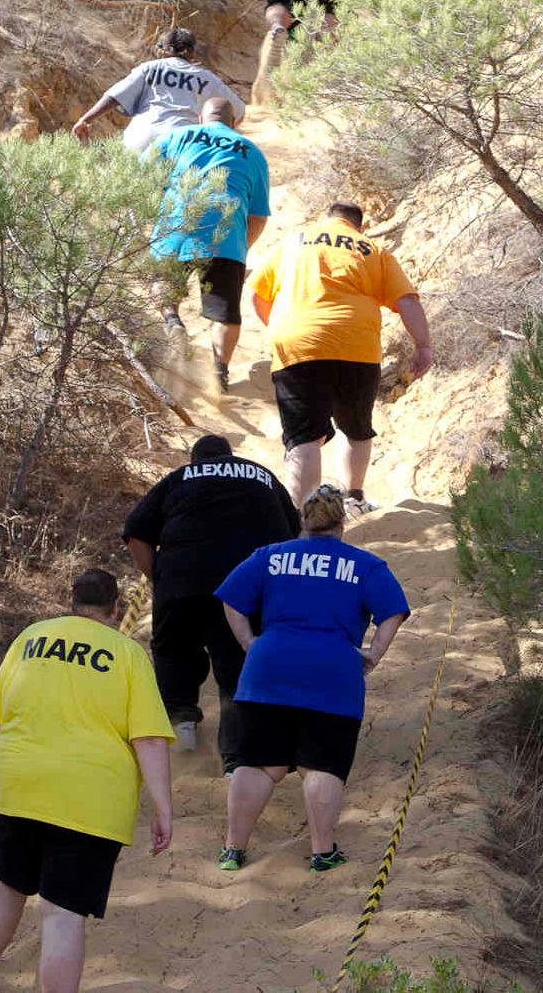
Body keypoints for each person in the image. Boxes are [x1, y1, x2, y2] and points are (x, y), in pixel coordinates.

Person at [0, 569, 175, 993]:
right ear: (116, 608)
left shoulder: (31, 637)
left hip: (21, 783)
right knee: (61, 911)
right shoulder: (128, 654)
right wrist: (163, 808)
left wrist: (0, 778)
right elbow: (147, 739)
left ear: (72, 602)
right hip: (91, 799)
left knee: (6, 880)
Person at [212, 485, 410, 873]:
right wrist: (374, 652)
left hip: (269, 666)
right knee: (322, 766)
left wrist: (250, 642)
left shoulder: (269, 556)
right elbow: (393, 612)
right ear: (342, 522)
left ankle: (233, 850)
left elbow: (231, 599)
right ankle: (323, 851)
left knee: (255, 763)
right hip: (332, 671)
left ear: (303, 520)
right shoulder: (365, 565)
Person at [122, 434, 298, 771]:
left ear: (195, 460)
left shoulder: (177, 479)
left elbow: (135, 532)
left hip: (181, 580)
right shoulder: (263, 476)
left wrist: (158, 577)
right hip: (243, 587)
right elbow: (293, 535)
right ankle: (235, 760)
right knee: (236, 666)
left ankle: (182, 728)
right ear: (230, 457)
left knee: (174, 650)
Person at [249, 201, 433, 515]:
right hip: (356, 346)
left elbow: (257, 293)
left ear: (328, 218)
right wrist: (423, 345)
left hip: (297, 343)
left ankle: (304, 516)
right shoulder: (373, 249)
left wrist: (279, 327)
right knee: (356, 426)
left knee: (304, 436)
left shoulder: (293, 242)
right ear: (357, 226)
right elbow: (406, 300)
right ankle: (355, 499)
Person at [149, 98, 271, 391]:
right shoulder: (252, 153)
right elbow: (258, 215)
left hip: (177, 223)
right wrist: (242, 249)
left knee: (162, 282)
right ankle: (220, 373)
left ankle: (172, 320)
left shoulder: (176, 136)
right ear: (234, 123)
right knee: (226, 313)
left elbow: (143, 178)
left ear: (200, 118)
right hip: (226, 236)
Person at [72, 27, 245, 155]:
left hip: (141, 139)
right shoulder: (207, 78)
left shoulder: (149, 68)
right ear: (192, 51)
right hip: (183, 143)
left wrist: (85, 120)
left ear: (161, 49)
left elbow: (114, 96)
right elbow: (238, 111)